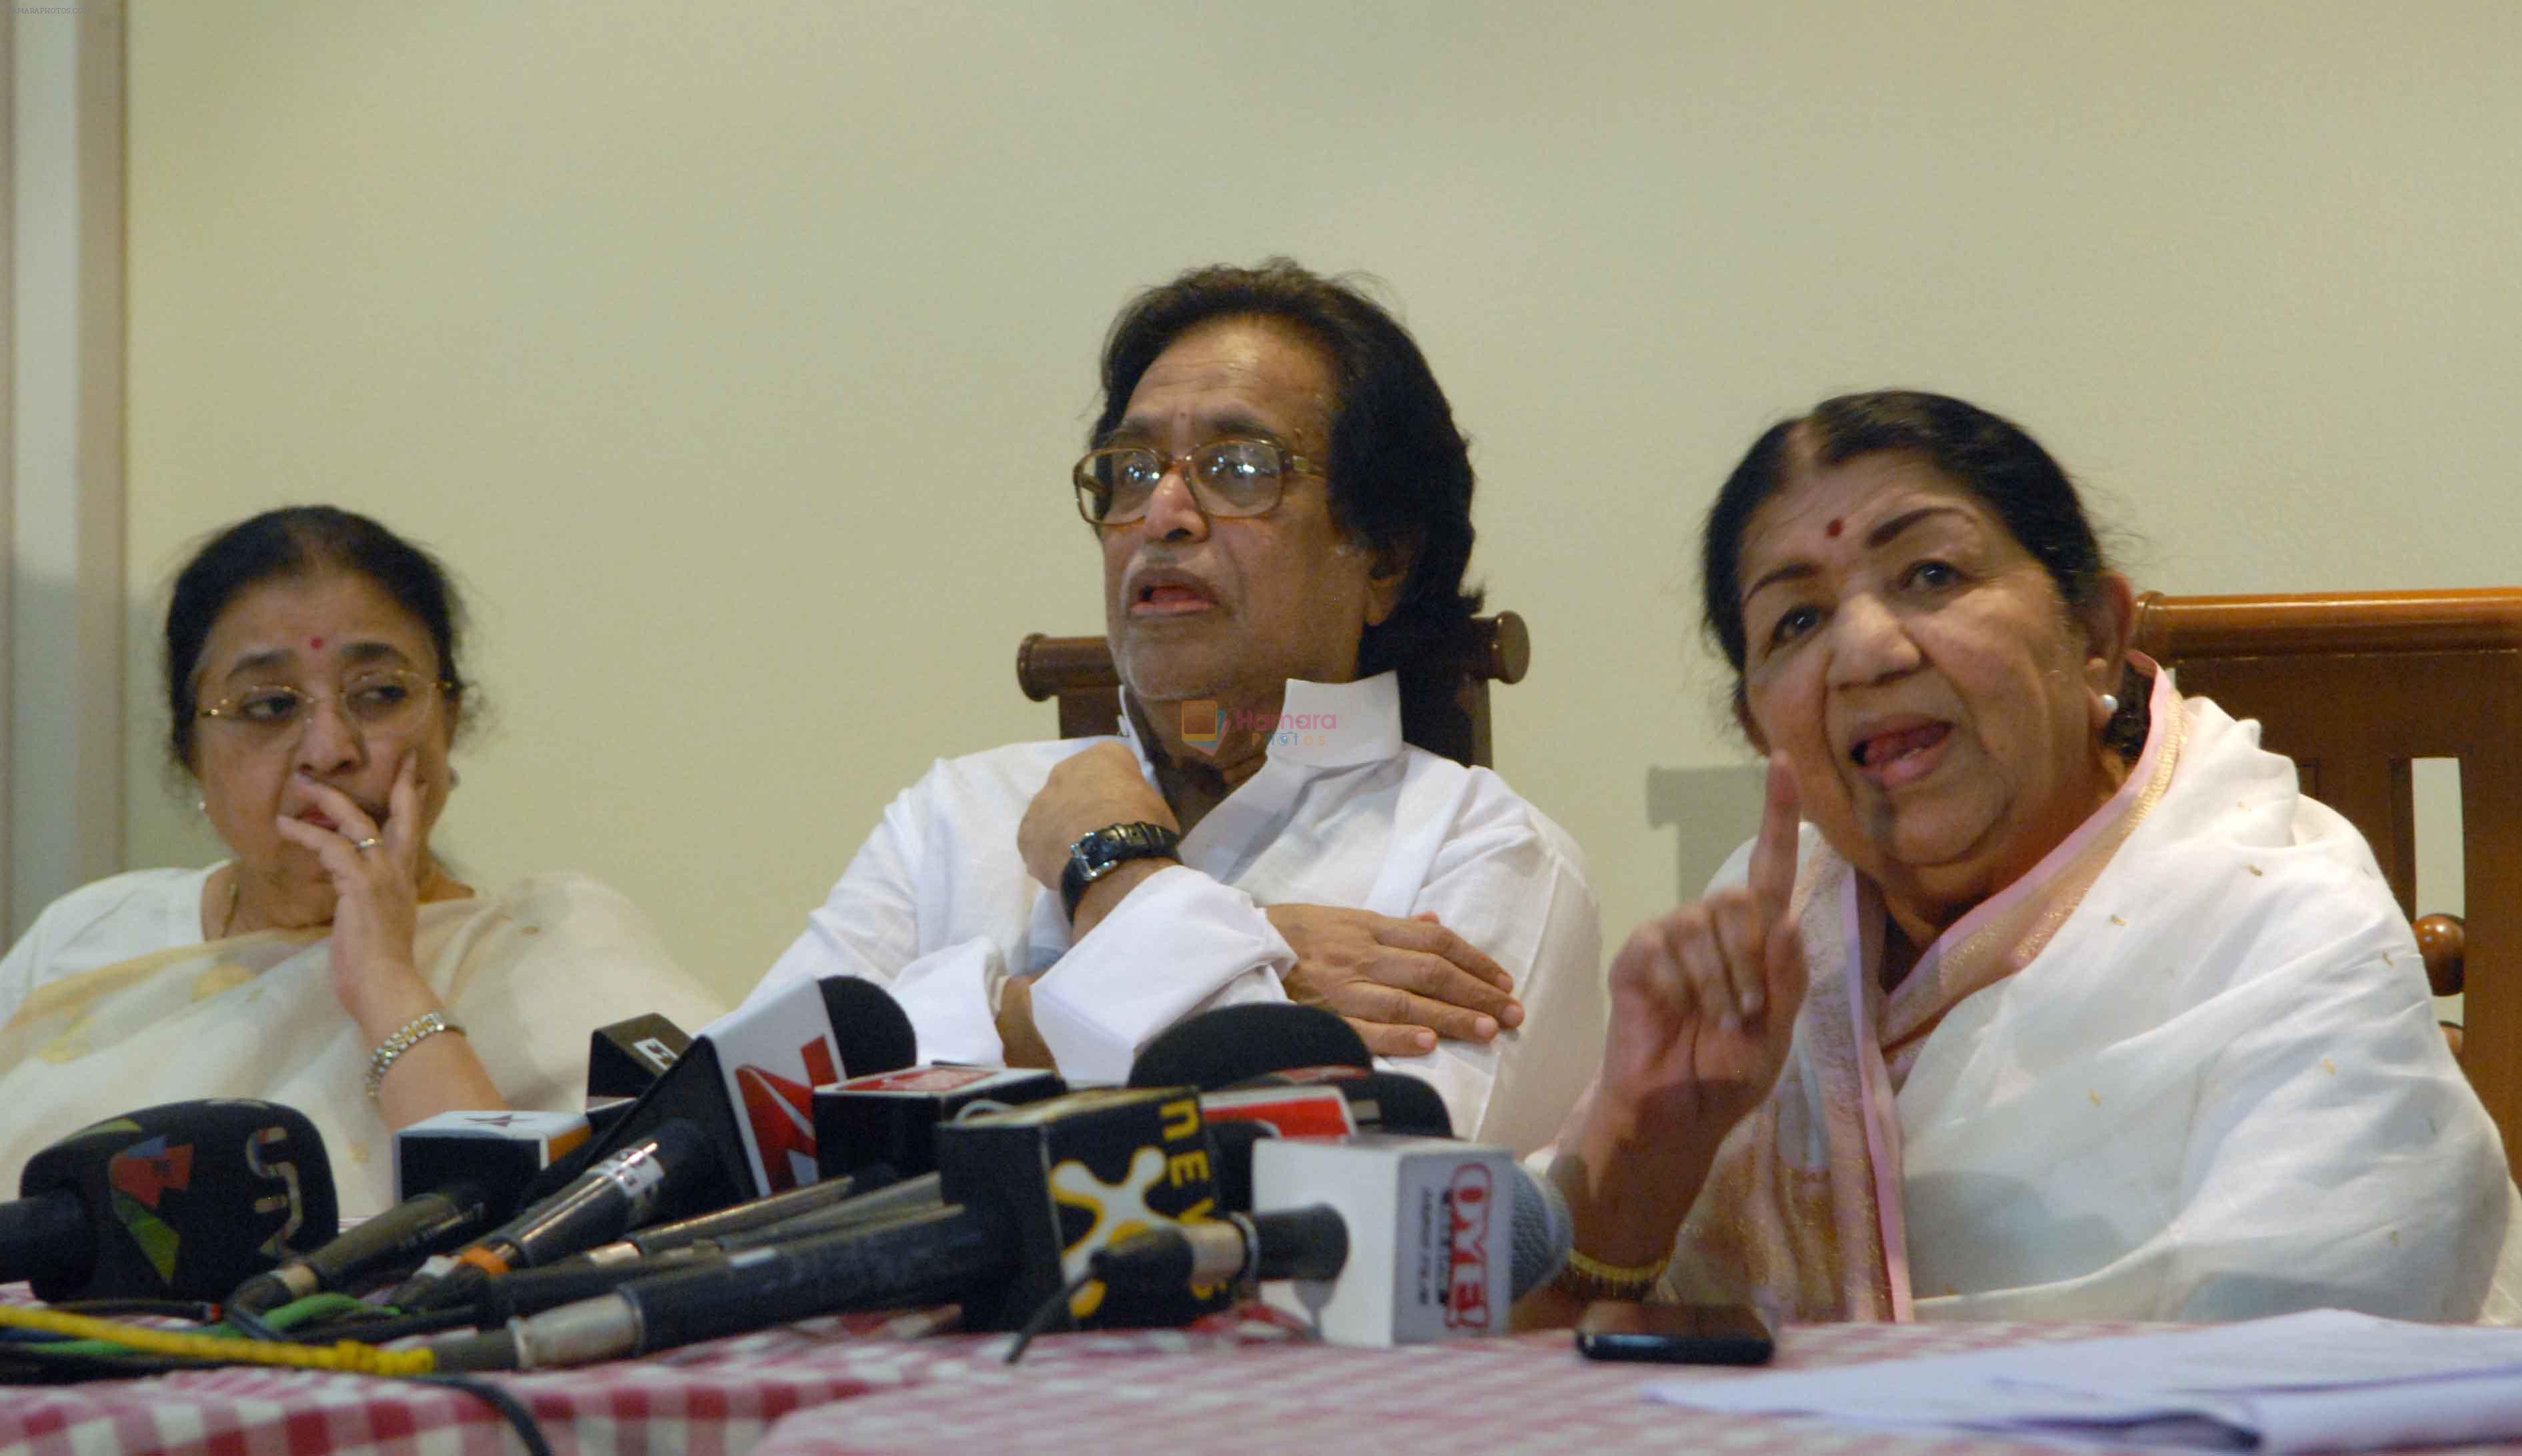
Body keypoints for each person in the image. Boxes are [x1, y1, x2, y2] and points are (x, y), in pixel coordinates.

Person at [1525, 391, 2522, 1324]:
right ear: (1760, 727)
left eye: (1931, 574)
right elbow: (1516, 1360)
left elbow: (2329, 1366)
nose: (1867, 649)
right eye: (1797, 619)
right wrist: (1646, 1143)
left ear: (2095, 634)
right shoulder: (1767, 948)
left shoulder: (2283, 922)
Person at [751, 260, 1601, 1150]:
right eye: (1129, 467)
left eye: (1238, 468)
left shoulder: (1485, 851)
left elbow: (1356, 1208)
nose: (1162, 513)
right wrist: (1249, 955)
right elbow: (741, 1109)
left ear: (1382, 558)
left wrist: (1118, 876)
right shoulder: (956, 813)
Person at [0, 507, 722, 1212]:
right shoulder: (90, 934)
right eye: (268, 706)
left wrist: (387, 980)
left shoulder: (554, 945)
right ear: (190, 755)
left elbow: (555, 1249)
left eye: (379, 694)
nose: (330, 748)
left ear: (451, 720)